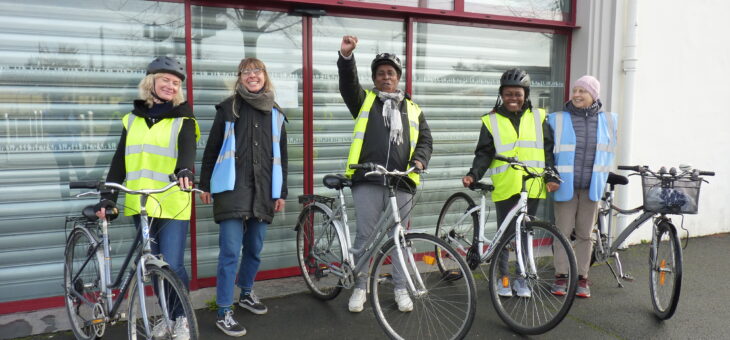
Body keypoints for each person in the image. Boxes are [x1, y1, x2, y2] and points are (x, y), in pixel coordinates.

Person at [97, 56, 199, 340]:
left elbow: (187, 152)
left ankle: (181, 319)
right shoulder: (131, 119)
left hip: (171, 201)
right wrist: (109, 196)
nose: (170, 85)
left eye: (176, 82)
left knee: (173, 264)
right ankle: (165, 317)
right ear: (151, 82)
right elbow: (120, 160)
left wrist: (186, 170)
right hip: (139, 202)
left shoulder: (184, 118)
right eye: (165, 79)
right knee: (151, 265)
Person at [338, 35, 433, 313]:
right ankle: (360, 287)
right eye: (380, 74)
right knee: (365, 236)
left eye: (391, 73)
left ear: (399, 77)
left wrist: (420, 160)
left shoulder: (413, 109)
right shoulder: (364, 101)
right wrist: (346, 58)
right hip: (368, 179)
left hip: (401, 180)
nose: (386, 77)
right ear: (375, 78)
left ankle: (401, 287)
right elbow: (348, 85)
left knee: (400, 238)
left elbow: (426, 140)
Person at [199, 57, 288, 337]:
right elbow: (213, 148)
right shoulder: (229, 108)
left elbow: (281, 156)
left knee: (254, 249)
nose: (252, 75)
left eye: (257, 70)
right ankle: (224, 310)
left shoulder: (276, 112)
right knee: (229, 252)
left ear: (265, 76)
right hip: (232, 189)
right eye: (246, 72)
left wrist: (281, 192)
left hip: (263, 191)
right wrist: (204, 185)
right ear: (239, 78)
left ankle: (246, 292)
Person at [462, 68, 559, 298]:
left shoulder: (539, 117)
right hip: (505, 185)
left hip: (532, 185)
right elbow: (484, 153)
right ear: (501, 95)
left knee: (525, 233)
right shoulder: (491, 120)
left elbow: (547, 150)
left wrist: (551, 175)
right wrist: (473, 174)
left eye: (517, 93)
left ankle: (522, 279)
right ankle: (503, 279)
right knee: (505, 236)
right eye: (508, 94)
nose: (513, 98)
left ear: (526, 94)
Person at [548, 75, 617, 298]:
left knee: (586, 235)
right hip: (564, 186)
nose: (576, 95)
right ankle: (561, 276)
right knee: (562, 232)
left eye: (582, 91)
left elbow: (607, 154)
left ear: (593, 95)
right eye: (575, 90)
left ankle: (582, 278)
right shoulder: (556, 119)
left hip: (591, 188)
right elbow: (547, 152)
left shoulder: (608, 120)